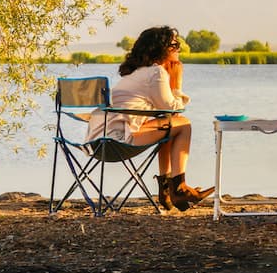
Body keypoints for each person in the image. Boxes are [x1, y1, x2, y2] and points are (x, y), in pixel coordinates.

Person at [87, 25, 214, 211]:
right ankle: (178, 189)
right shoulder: (156, 72)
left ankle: (167, 190)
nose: (178, 48)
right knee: (183, 126)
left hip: (97, 142)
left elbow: (168, 115)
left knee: (170, 126)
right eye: (174, 44)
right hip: (120, 140)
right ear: (160, 48)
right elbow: (172, 109)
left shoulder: (136, 73)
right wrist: (177, 83)